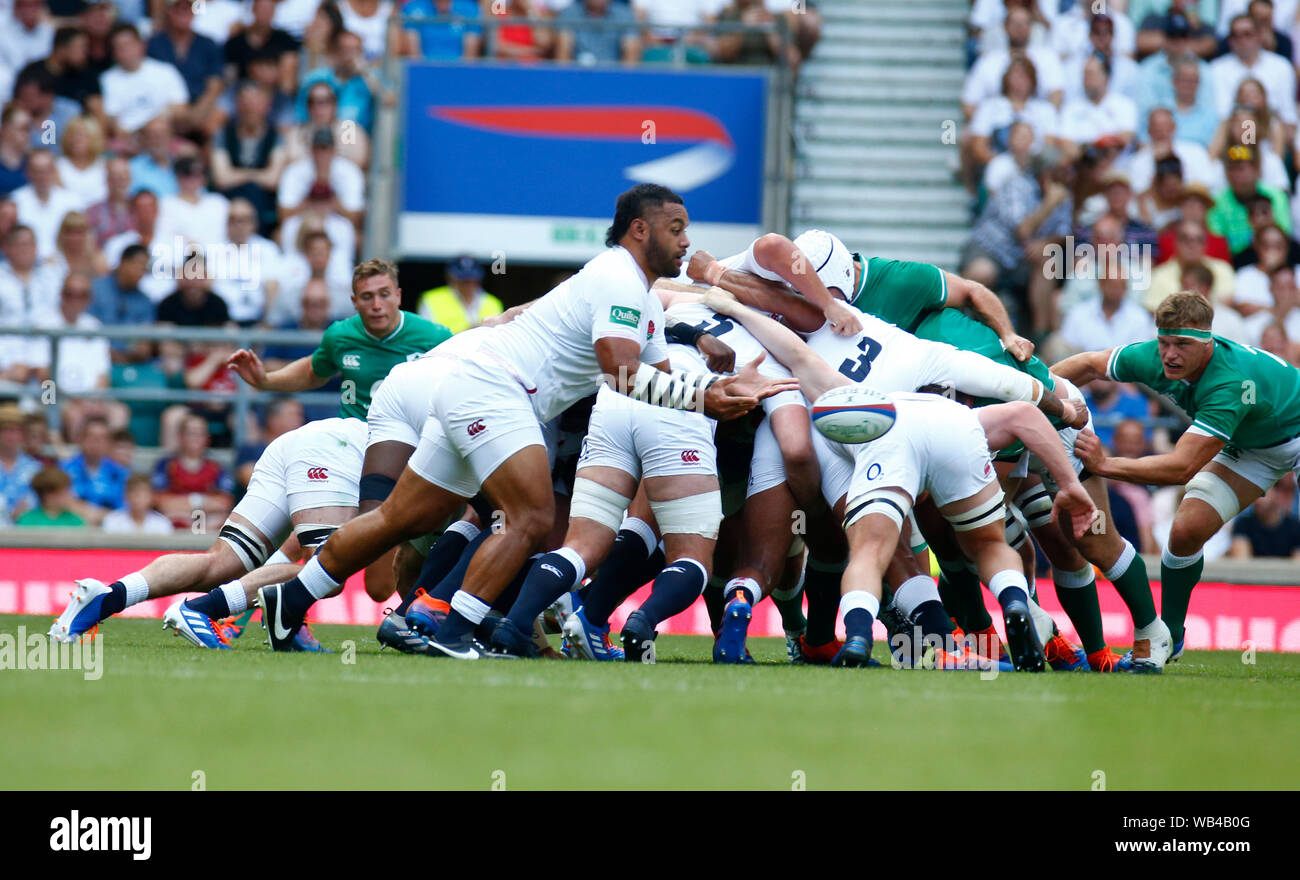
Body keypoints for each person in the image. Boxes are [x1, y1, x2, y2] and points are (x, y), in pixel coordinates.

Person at [257, 184, 797, 658]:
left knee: (400, 518)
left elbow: (654, 382)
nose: (686, 241)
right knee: (533, 519)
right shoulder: (617, 277)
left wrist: (715, 388)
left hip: (472, 385)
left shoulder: (641, 297)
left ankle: (292, 598)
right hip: (496, 391)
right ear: (639, 230)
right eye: (675, 228)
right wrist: (709, 399)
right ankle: (455, 628)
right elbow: (620, 373)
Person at [1062, 291, 1300, 665]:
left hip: (1293, 431)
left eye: (1182, 345)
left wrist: (1105, 465)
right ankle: (1171, 635)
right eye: (1164, 342)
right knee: (1186, 529)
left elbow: (1182, 467)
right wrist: (1033, 390)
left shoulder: (1229, 382)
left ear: (1207, 342)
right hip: (1253, 443)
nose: (1170, 354)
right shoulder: (1154, 357)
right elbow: (1089, 364)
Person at [50, 417, 366, 649]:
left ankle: (107, 597)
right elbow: (379, 586)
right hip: (337, 451)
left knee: (221, 564)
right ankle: (200, 610)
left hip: (296, 442)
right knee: (329, 570)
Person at [417, 255, 503, 333]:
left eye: (472, 278)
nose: (468, 283)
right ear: (450, 277)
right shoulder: (431, 299)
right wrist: (465, 334)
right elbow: (426, 336)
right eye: (462, 279)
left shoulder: (493, 303)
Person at [1230, 482, 1300, 558]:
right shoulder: (1243, 524)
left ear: (1277, 494)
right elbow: (1241, 560)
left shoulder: (1295, 527)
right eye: (1255, 495)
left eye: (1263, 494)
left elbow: (1297, 564)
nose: (1258, 500)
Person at [101, 473, 175, 535]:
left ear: (151, 497)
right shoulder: (112, 521)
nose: (138, 499)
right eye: (135, 493)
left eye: (143, 494)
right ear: (126, 496)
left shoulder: (162, 524)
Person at [17, 466, 85, 527]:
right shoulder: (27, 520)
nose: (69, 495)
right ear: (49, 495)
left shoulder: (75, 520)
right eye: (64, 492)